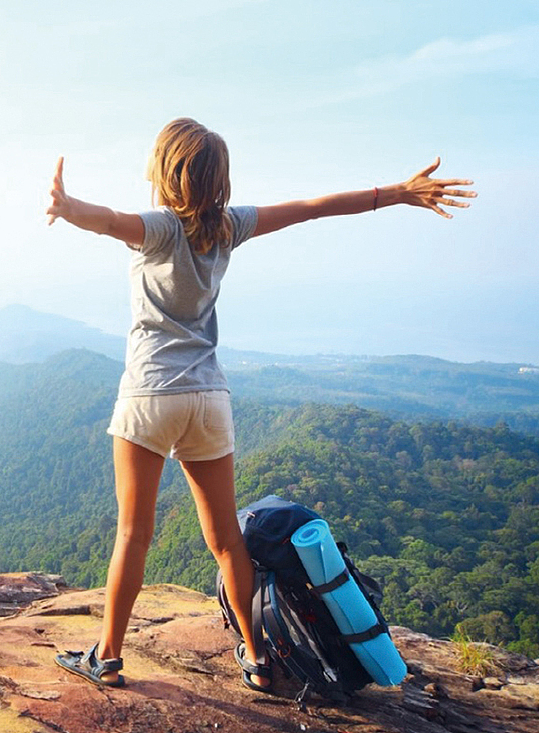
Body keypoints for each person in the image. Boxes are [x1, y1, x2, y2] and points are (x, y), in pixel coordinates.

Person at [46, 118, 475, 691]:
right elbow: (312, 207)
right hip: (208, 398)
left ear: (166, 174)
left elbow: (106, 222)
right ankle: (256, 657)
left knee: (133, 535)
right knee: (226, 540)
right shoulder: (229, 227)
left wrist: (67, 205)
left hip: (151, 393)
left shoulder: (156, 229)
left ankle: (107, 658)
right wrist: (396, 193)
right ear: (218, 179)